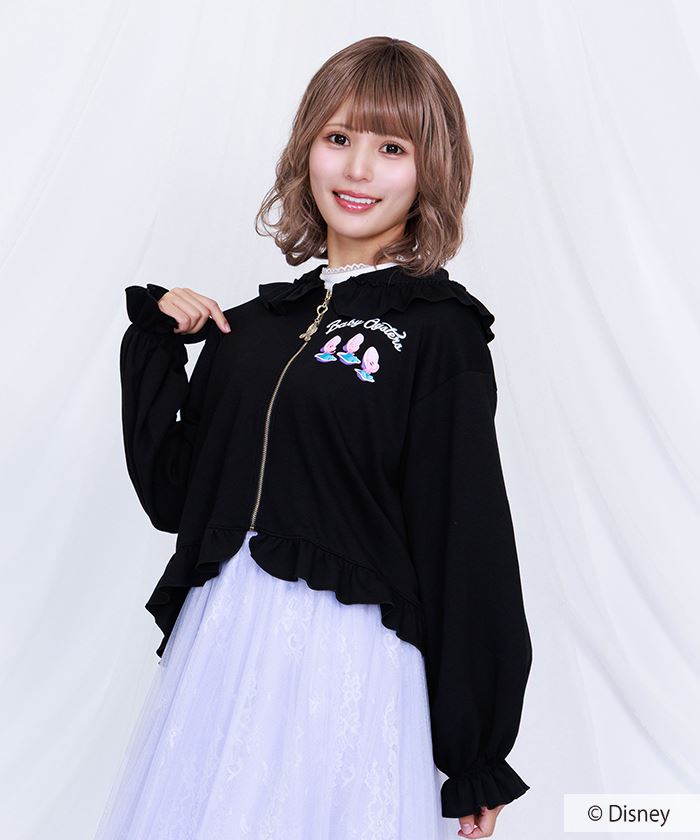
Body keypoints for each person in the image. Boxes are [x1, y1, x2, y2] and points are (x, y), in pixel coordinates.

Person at [96, 36, 532, 840]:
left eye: (391, 147)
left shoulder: (438, 335)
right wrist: (156, 345)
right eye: (339, 138)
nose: (358, 170)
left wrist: (476, 754)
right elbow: (176, 500)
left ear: (430, 167)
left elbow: (465, 539)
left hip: (348, 668)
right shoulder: (251, 331)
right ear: (307, 149)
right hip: (220, 659)